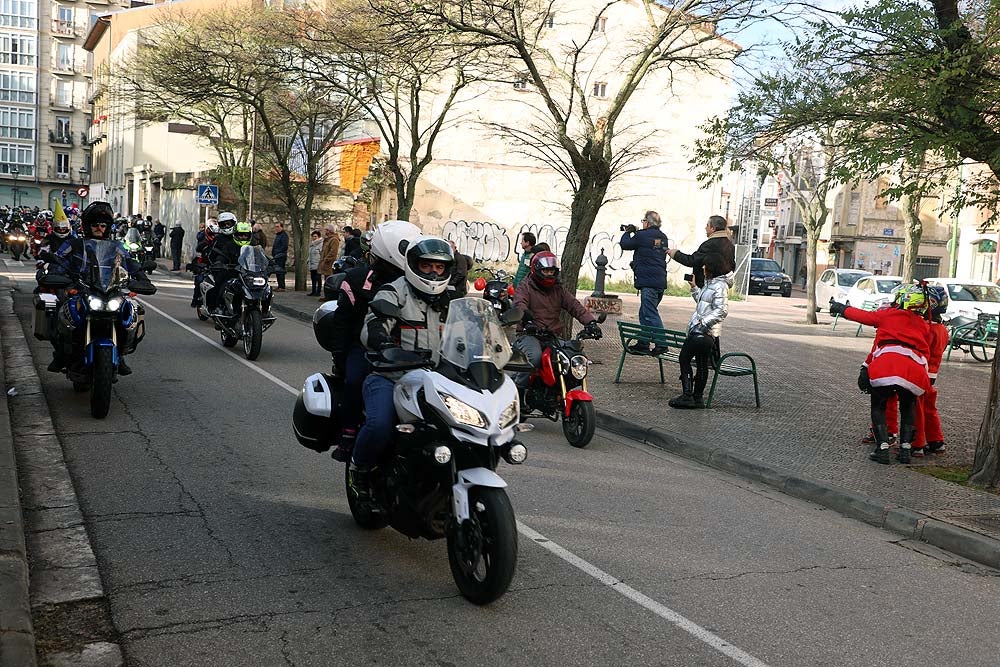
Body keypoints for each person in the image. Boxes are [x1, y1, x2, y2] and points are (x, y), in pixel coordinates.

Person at [350, 235, 455, 500]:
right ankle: (359, 470)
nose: (433, 272)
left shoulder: (452, 299)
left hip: (440, 381)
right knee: (379, 425)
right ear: (414, 265)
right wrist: (381, 341)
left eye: (440, 267)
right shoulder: (394, 291)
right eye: (427, 265)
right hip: (392, 376)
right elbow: (372, 326)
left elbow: (474, 331)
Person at [317, 220, 419, 462]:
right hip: (364, 347)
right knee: (355, 379)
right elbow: (342, 320)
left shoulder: (419, 283)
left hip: (411, 350)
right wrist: (339, 355)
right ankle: (349, 432)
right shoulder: (356, 278)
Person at [830, 284, 931, 464]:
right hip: (913, 369)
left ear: (902, 299)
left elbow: (864, 317)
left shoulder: (889, 315)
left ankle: (882, 447)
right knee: (908, 406)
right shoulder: (924, 325)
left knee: (878, 405)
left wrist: (841, 308)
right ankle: (906, 449)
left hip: (887, 365)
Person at [510, 251, 601, 392]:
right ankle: (517, 390)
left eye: (551, 271)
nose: (549, 274)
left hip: (552, 336)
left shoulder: (558, 289)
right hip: (528, 335)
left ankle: (557, 392)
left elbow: (574, 305)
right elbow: (519, 304)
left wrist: (590, 323)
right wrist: (526, 319)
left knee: (574, 356)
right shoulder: (525, 286)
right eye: (546, 271)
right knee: (534, 357)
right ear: (537, 270)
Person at [668, 255, 733, 409]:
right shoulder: (711, 283)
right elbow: (703, 304)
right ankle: (697, 399)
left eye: (705, 266)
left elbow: (722, 310)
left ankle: (687, 395)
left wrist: (702, 323)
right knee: (702, 363)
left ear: (713, 268)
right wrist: (694, 288)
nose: (703, 268)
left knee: (684, 358)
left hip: (703, 332)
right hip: (702, 331)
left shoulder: (720, 285)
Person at [620, 210, 669, 354]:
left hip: (648, 284)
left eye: (643, 221)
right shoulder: (663, 237)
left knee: (650, 314)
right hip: (659, 282)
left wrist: (628, 231)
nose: (642, 224)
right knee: (644, 313)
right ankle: (643, 342)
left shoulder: (641, 235)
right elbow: (653, 253)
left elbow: (625, 244)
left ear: (647, 222)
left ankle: (662, 344)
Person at [666, 215, 736, 289]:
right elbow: (732, 266)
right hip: (722, 286)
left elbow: (691, 261)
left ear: (713, 228)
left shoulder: (710, 244)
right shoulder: (729, 245)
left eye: (707, 225)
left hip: (709, 287)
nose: (705, 228)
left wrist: (675, 253)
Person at [204, 213, 241, 313]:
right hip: (223, 268)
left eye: (228, 224)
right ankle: (217, 306)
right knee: (219, 284)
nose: (226, 227)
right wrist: (216, 263)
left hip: (239, 268)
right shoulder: (218, 239)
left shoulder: (238, 237)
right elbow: (211, 254)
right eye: (223, 224)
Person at [318, 223, 341, 298]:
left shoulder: (334, 240)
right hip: (326, 263)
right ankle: (326, 296)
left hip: (329, 264)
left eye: (326, 230)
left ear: (329, 231)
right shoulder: (328, 239)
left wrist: (326, 259)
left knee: (329, 280)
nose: (325, 231)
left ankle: (329, 296)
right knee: (326, 279)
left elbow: (333, 252)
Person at [271, 222, 289, 291]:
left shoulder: (284, 235)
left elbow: (284, 246)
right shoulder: (278, 235)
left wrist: (277, 252)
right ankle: (279, 286)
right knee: (278, 271)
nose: (276, 228)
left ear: (282, 227)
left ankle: (282, 286)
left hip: (281, 256)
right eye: (276, 226)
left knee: (280, 271)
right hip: (277, 256)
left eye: (278, 226)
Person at [308, 230, 323, 296]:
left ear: (318, 237)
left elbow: (321, 254)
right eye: (313, 236)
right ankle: (313, 291)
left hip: (318, 264)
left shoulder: (320, 245)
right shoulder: (311, 245)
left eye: (315, 236)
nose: (314, 238)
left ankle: (318, 292)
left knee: (318, 278)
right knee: (313, 278)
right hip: (312, 264)